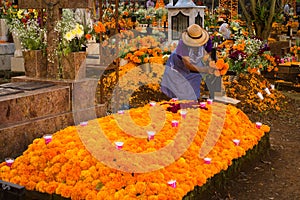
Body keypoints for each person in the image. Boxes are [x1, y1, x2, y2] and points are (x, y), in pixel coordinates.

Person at [160, 24, 217, 101]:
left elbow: (208, 54)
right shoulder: (183, 44)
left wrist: (211, 64)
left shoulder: (206, 41)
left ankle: (192, 105)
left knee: (193, 88)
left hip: (195, 63)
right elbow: (188, 65)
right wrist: (205, 70)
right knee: (178, 87)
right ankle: (177, 107)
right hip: (179, 65)